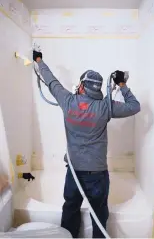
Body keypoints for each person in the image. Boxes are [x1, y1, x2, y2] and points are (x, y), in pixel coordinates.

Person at [33, 50, 140, 238]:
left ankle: (68, 236)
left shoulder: (67, 101)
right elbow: (134, 106)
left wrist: (39, 60)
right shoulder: (105, 106)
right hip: (97, 174)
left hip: (74, 172)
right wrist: (122, 84)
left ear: (82, 86)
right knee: (99, 213)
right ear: (97, 89)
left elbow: (51, 80)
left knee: (71, 209)